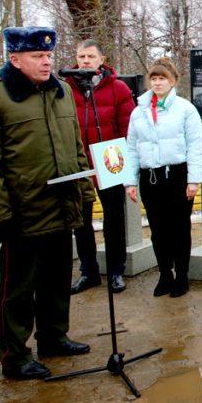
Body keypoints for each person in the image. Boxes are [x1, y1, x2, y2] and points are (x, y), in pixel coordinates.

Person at [0, 27, 95, 380]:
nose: (46, 61)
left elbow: (75, 145)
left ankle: (53, 337)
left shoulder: (62, 91)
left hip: (61, 204)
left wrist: (84, 192)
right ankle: (15, 356)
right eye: (38, 56)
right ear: (15, 59)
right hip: (21, 211)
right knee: (18, 288)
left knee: (56, 277)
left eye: (49, 55)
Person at [125, 58, 202, 298]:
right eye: (154, 78)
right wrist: (130, 180)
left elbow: (195, 145)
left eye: (162, 79)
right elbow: (131, 147)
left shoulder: (185, 109)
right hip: (151, 178)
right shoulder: (138, 112)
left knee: (179, 229)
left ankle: (181, 276)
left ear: (172, 81)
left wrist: (193, 180)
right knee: (158, 230)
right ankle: (164, 275)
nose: (158, 83)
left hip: (177, 175)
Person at [66, 40, 136, 295]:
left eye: (90, 56)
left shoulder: (117, 88)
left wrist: (125, 161)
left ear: (101, 59)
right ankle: (89, 271)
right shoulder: (65, 87)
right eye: (81, 56)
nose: (85, 61)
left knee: (114, 218)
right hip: (78, 160)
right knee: (81, 220)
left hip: (110, 158)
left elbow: (128, 127)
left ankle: (116, 270)